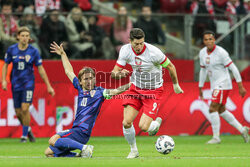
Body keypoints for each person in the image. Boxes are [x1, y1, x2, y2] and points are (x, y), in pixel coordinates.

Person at [44, 41, 131, 157]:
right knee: (49, 153)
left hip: (82, 132)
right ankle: (79, 155)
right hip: (76, 130)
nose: (89, 81)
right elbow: (68, 71)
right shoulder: (80, 89)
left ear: (95, 79)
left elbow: (116, 91)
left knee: (53, 139)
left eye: (91, 78)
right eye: (86, 79)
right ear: (80, 81)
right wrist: (63, 54)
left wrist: (131, 84)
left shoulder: (100, 92)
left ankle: (84, 148)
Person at [111, 28, 183, 158]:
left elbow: (170, 66)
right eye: (136, 44)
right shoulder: (125, 50)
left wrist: (176, 85)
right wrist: (120, 74)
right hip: (135, 88)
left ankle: (154, 124)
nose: (139, 47)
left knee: (143, 127)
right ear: (130, 41)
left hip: (153, 91)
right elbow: (114, 73)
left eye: (141, 43)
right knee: (126, 122)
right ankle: (134, 150)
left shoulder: (154, 52)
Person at [1, 26, 55, 143]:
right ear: (18, 37)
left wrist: (48, 86)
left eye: (27, 36)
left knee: (25, 108)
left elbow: (40, 69)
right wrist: (4, 80)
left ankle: (24, 136)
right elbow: (5, 65)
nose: (25, 38)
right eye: (23, 36)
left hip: (28, 83)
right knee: (18, 112)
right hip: (16, 83)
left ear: (29, 37)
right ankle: (28, 129)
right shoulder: (11, 50)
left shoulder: (33, 51)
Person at [198, 30, 249, 144]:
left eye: (210, 39)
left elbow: (233, 68)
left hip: (223, 84)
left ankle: (216, 137)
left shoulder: (221, 52)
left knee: (212, 108)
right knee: (221, 110)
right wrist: (200, 87)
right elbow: (202, 70)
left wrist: (240, 86)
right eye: (206, 39)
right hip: (214, 85)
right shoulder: (202, 53)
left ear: (214, 40)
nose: (208, 41)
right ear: (203, 41)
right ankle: (242, 129)